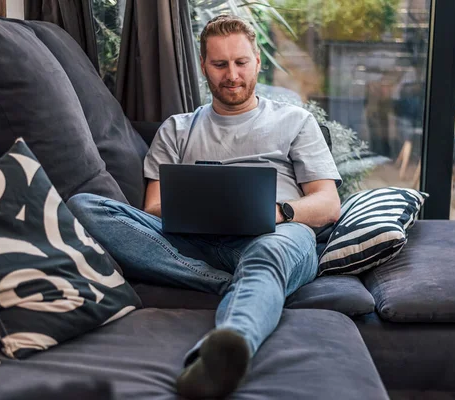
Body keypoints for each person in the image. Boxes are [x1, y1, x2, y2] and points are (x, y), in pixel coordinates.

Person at [67, 14, 341, 399]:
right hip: (191, 241)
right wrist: (194, 210)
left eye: (241, 62)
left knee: (269, 253)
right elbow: (153, 209)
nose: (232, 74)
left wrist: (278, 212)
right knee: (84, 207)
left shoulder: (295, 121)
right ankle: (235, 284)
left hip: (275, 234)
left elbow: (328, 204)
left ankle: (230, 346)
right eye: (220, 64)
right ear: (203, 67)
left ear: (257, 61)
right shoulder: (177, 129)